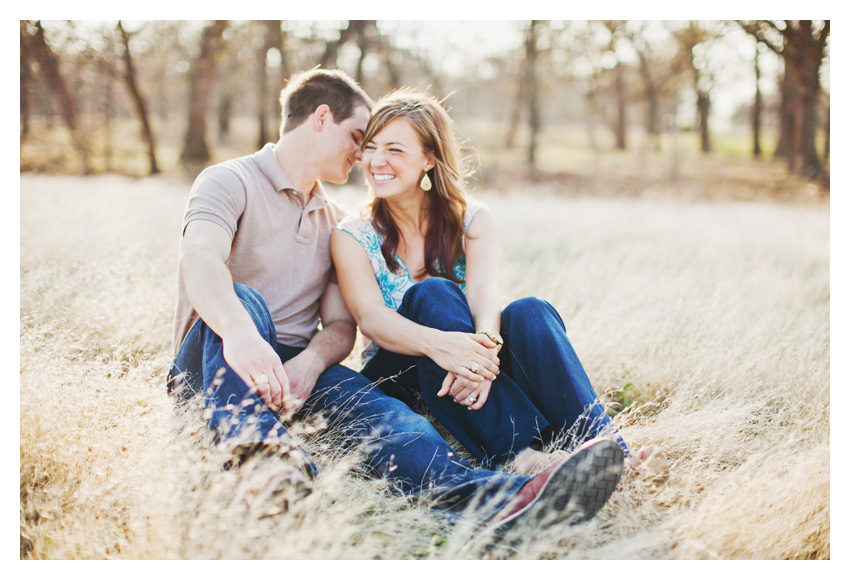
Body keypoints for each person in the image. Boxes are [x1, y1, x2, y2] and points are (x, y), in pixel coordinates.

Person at [167, 70, 624, 546]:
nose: (364, 155)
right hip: (215, 357)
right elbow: (199, 257)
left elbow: (342, 325)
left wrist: (310, 361)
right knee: (244, 301)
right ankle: (269, 470)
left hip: (297, 377)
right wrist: (242, 334)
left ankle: (507, 504)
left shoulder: (332, 221)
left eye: (380, 144)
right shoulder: (229, 180)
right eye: (360, 139)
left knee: (402, 424)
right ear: (321, 118)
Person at [331, 89, 666, 479]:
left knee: (530, 312)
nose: (376, 161)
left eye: (395, 150)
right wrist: (447, 347)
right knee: (434, 292)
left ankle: (610, 453)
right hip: (400, 375)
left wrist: (483, 352)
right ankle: (517, 455)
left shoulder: (472, 220)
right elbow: (370, 317)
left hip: (467, 371)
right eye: (370, 147)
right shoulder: (352, 234)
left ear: (429, 159)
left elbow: (484, 295)